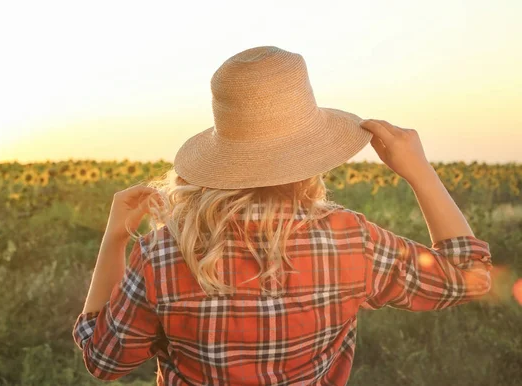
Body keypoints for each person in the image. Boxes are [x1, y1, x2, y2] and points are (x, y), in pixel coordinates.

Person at [72, 46, 493, 385]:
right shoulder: (351, 240)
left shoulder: (162, 254)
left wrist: (115, 238)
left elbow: (103, 360)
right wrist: (420, 172)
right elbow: (469, 277)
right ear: (313, 149)